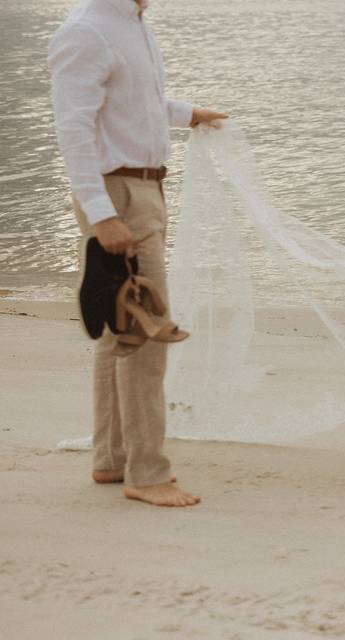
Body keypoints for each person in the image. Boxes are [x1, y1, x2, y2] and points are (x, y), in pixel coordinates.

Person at [48, 0, 226, 506]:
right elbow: (73, 129)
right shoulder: (87, 31)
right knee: (147, 332)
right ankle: (147, 474)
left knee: (118, 325)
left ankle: (112, 459)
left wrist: (188, 114)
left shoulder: (129, 25)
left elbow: (135, 105)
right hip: (118, 194)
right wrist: (103, 214)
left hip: (140, 189)